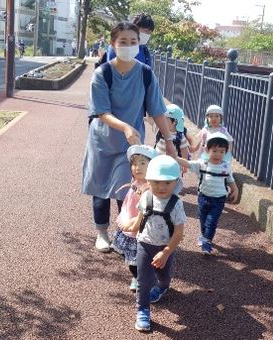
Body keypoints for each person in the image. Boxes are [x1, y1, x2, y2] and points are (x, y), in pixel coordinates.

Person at [82, 21, 177, 253]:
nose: (128, 45)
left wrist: (170, 143)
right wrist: (125, 126)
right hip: (102, 141)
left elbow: (157, 110)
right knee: (101, 189)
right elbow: (101, 111)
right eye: (123, 41)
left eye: (133, 41)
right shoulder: (102, 73)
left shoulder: (145, 74)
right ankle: (101, 232)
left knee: (127, 190)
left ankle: (124, 231)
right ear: (113, 43)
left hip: (131, 145)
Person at [121, 155, 185, 332]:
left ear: (176, 182)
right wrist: (130, 226)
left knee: (163, 276)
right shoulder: (147, 197)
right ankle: (142, 310)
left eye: (167, 182)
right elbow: (141, 217)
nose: (162, 187)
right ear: (148, 181)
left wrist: (166, 252)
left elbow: (179, 232)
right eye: (156, 182)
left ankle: (163, 286)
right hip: (144, 245)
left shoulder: (176, 204)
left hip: (165, 248)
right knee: (143, 281)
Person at [176, 132, 238, 255]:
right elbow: (188, 163)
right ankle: (205, 235)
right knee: (203, 220)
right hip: (203, 197)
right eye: (214, 151)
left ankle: (207, 243)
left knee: (211, 221)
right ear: (206, 150)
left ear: (226, 152)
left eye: (222, 151)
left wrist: (235, 190)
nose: (218, 154)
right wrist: (174, 157)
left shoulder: (226, 167)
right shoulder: (202, 164)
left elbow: (230, 180)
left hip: (219, 199)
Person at [111, 145, 157, 292]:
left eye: (143, 163)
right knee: (133, 258)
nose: (137, 168)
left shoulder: (151, 188)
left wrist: (134, 223)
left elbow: (147, 211)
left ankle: (142, 278)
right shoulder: (136, 182)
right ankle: (139, 276)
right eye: (134, 164)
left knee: (139, 258)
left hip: (140, 227)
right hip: (129, 223)